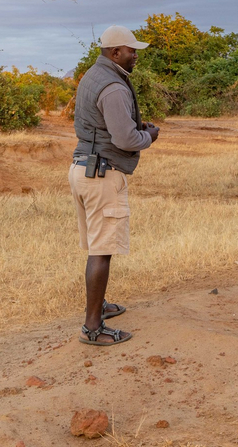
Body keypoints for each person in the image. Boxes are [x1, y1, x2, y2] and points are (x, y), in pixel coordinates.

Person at [71, 24, 161, 346]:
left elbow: (98, 124)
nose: (135, 55)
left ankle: (100, 307)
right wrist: (147, 136)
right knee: (103, 250)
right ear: (115, 53)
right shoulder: (114, 87)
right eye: (131, 50)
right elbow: (124, 138)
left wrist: (135, 126)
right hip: (103, 174)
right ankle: (92, 328)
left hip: (84, 167)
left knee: (98, 247)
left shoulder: (92, 75)